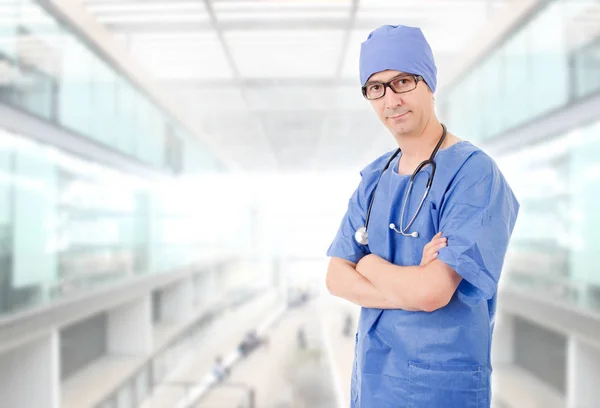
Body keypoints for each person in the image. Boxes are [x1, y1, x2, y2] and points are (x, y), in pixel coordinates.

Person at [325, 25, 519, 408]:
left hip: (440, 388)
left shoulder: (473, 174)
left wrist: (369, 264)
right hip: (374, 383)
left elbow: (432, 292)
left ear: (428, 82)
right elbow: (334, 277)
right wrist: (410, 287)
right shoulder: (374, 179)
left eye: (402, 81)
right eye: (376, 88)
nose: (391, 99)